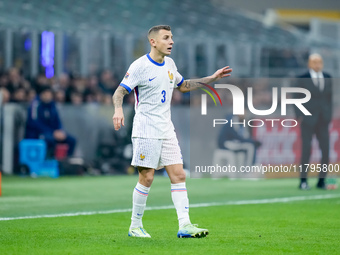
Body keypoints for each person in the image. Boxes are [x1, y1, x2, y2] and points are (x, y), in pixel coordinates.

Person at [112, 25, 232, 238]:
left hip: (166, 128)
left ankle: (184, 225)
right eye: (166, 38)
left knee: (178, 175)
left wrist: (212, 78)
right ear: (153, 41)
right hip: (146, 128)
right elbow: (119, 92)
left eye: (172, 37)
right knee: (147, 177)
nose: (171, 41)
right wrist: (118, 110)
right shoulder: (139, 65)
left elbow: (183, 85)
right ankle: (135, 226)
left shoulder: (170, 64)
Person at [295, 53, 332, 190]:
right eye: (314, 62)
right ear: (309, 63)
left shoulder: (327, 77)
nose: (317, 64)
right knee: (306, 150)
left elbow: (329, 98)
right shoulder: (302, 78)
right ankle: (303, 181)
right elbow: (296, 97)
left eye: (319, 62)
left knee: (326, 150)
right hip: (308, 120)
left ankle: (322, 181)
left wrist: (329, 115)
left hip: (323, 119)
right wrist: (300, 115)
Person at [25, 87, 76, 157]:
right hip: (38, 133)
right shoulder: (35, 105)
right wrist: (52, 132)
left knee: (72, 140)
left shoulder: (53, 105)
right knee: (50, 140)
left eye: (49, 94)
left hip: (53, 132)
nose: (47, 96)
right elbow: (34, 122)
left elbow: (57, 120)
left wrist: (60, 131)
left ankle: (66, 161)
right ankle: (50, 160)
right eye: (45, 94)